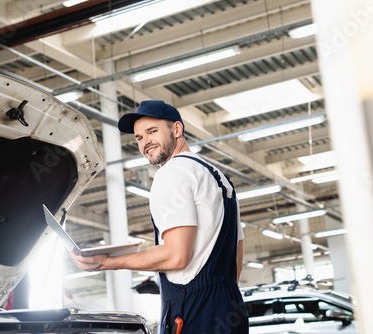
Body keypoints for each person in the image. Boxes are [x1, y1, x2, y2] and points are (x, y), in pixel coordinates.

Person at [71, 100, 249, 334]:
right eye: (139, 138)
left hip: (193, 309)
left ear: (177, 130)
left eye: (152, 131)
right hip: (229, 305)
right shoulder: (219, 178)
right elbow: (237, 255)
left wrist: (106, 262)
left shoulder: (172, 173)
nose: (145, 142)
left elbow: (176, 257)